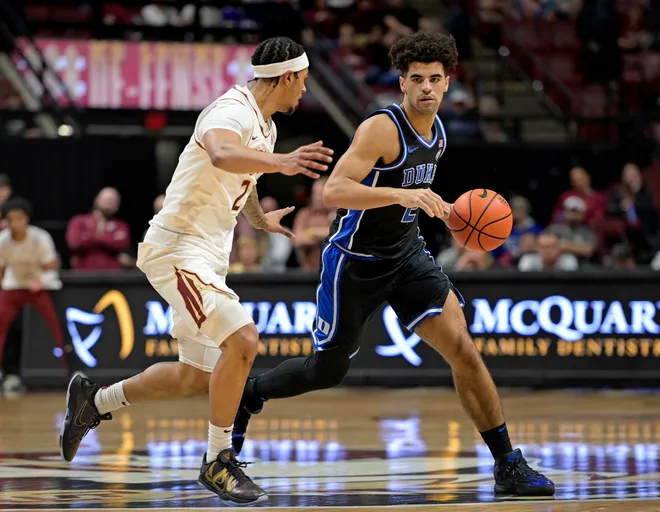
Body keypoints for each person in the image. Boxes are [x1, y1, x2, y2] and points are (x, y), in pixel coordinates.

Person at [232, 32, 555, 497]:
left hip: (406, 255)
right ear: (402, 83)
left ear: (448, 84)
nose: (427, 87)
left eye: (435, 79)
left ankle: (507, 462)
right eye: (417, 78)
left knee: (463, 350)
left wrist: (439, 207)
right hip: (355, 262)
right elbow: (335, 191)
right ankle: (251, 393)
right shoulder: (382, 129)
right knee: (327, 371)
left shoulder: (439, 133)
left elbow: (408, 198)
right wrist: (402, 194)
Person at [58, 37, 333, 505]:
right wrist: (284, 162)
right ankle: (217, 460)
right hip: (178, 249)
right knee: (243, 340)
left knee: (195, 376)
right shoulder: (230, 110)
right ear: (286, 77)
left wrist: (260, 220)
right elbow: (224, 154)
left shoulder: (264, 127)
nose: (303, 92)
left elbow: (238, 179)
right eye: (302, 82)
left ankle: (94, 401)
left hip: (206, 256)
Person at [0, 198, 69, 386]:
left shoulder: (40, 237)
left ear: (27, 219)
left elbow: (52, 265)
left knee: (56, 325)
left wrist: (39, 279)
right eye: (10, 219)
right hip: (14, 285)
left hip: (41, 285)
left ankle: (69, 369)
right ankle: (6, 373)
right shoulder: (2, 241)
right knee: (3, 327)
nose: (15, 223)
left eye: (19, 218)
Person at [65, 187, 132, 271]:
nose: (109, 203)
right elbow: (74, 243)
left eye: (113, 200)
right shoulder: (79, 221)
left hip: (113, 277)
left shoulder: (121, 226)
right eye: (106, 199)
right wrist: (109, 239)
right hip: (82, 275)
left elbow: (122, 244)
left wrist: (89, 237)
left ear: (118, 205)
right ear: (97, 200)